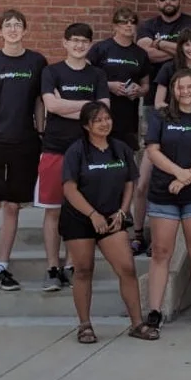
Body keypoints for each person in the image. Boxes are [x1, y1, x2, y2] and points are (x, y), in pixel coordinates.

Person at [60, 102, 157, 343]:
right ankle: (85, 326)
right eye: (98, 120)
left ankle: (137, 324)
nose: (105, 123)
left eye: (107, 118)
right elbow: (69, 189)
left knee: (127, 268)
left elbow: (129, 182)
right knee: (84, 270)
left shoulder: (120, 148)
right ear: (86, 125)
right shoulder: (76, 151)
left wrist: (123, 211)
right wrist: (93, 215)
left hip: (113, 218)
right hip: (80, 218)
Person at [0, 9, 47, 295]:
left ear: (25, 30)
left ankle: (2, 268)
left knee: (12, 207)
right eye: (8, 25)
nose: (13, 29)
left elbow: (39, 101)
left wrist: (41, 131)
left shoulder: (36, 61)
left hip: (24, 143)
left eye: (17, 25)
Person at [144, 69, 191, 330]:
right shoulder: (160, 117)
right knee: (161, 252)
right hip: (163, 194)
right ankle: (154, 310)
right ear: (173, 91)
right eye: (180, 87)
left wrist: (187, 178)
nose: (185, 92)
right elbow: (153, 151)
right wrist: (179, 173)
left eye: (190, 87)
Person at [38, 23, 111, 291]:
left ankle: (71, 266)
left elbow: (104, 110)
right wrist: (88, 106)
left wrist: (65, 106)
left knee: (80, 211)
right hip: (55, 148)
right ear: (65, 43)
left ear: (90, 45)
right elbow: (51, 105)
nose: (79, 45)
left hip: (86, 151)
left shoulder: (97, 74)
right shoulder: (51, 71)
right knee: (53, 211)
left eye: (84, 41)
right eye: (75, 40)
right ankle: (52, 268)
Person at [134, 0, 191, 253]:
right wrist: (174, 47)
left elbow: (190, 50)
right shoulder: (148, 27)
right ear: (157, 2)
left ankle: (161, 240)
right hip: (158, 116)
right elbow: (144, 52)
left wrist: (160, 43)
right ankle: (138, 234)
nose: (168, 1)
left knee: (175, 182)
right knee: (145, 181)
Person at [89, 7, 151, 154]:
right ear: (115, 26)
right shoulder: (101, 48)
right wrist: (108, 85)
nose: (129, 25)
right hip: (101, 112)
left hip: (128, 116)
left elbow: (146, 85)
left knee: (125, 155)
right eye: (124, 22)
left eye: (132, 22)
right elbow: (86, 77)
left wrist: (139, 91)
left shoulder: (140, 54)